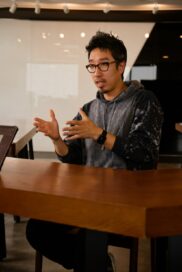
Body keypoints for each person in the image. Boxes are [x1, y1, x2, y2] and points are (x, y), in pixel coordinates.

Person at [26, 31, 163, 271]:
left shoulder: (144, 101)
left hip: (126, 201)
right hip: (87, 196)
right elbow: (74, 158)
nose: (97, 73)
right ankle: (98, 264)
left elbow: (145, 156)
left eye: (104, 64)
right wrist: (58, 139)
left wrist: (98, 134)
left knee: (90, 230)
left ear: (121, 66)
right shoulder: (89, 108)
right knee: (36, 229)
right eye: (92, 66)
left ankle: (93, 262)